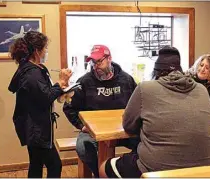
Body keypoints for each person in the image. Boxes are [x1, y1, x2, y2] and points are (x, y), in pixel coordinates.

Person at [99, 46, 210, 178]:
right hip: (206, 168)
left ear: (156, 71)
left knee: (104, 168)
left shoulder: (145, 88)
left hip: (156, 167)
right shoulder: (202, 90)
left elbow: (128, 126)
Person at [63, 44, 138, 177]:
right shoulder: (84, 82)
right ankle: (101, 174)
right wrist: (81, 126)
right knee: (83, 146)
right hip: (93, 133)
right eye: (93, 62)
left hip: (123, 130)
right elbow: (69, 108)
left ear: (109, 58)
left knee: (145, 142)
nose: (96, 66)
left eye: (99, 61)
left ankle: (125, 171)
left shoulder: (126, 80)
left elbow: (138, 105)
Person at [8, 31, 72, 178]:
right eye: (44, 48)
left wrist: (60, 86)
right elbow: (45, 97)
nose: (46, 51)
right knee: (55, 165)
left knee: (36, 163)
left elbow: (42, 93)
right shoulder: (32, 74)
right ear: (37, 51)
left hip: (32, 126)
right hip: (35, 129)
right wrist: (61, 81)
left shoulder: (31, 68)